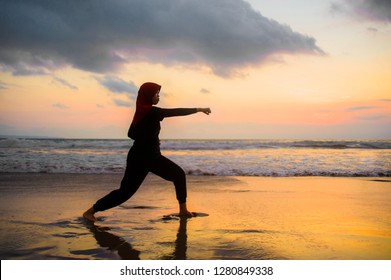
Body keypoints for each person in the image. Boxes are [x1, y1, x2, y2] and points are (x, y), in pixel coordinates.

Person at [83, 82, 211, 222]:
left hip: (144, 156)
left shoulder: (141, 112)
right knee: (125, 193)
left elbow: (130, 134)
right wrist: (198, 109)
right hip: (144, 158)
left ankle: (183, 210)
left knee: (178, 175)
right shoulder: (152, 112)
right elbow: (174, 112)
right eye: (156, 94)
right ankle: (90, 212)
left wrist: (148, 138)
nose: (158, 96)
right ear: (149, 96)